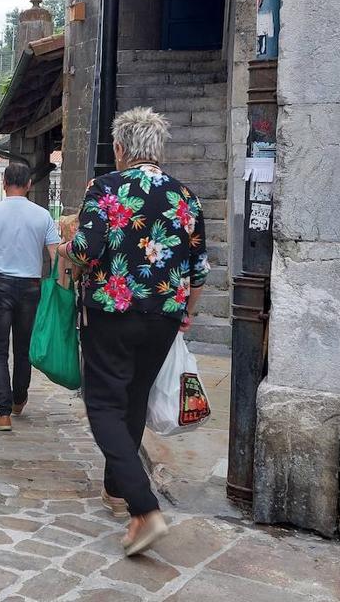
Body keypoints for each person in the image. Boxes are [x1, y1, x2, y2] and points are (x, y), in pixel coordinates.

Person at [58, 107, 210, 557]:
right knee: (133, 399)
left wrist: (65, 247)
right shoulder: (187, 198)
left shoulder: (106, 188)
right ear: (158, 150)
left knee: (102, 403)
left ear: (120, 149)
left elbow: (86, 250)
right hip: (163, 315)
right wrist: (187, 314)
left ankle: (143, 507)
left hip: (111, 311)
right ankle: (117, 487)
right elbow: (197, 270)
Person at [0, 161, 60, 432]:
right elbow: (56, 255)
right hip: (31, 287)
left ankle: (3, 413)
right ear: (29, 184)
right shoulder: (43, 216)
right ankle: (19, 399)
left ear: (3, 182)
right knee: (23, 348)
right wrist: (56, 287)